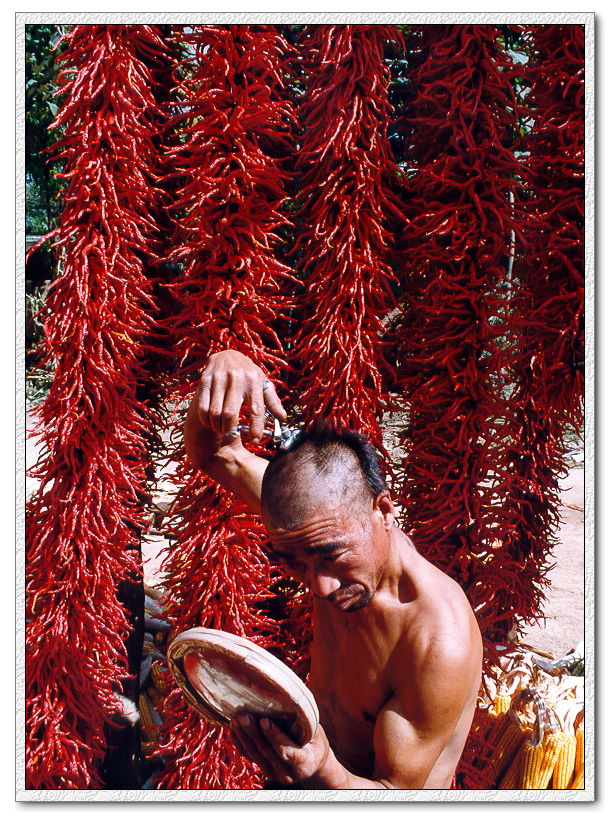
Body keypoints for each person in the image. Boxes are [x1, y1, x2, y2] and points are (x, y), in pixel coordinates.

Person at [184, 349, 483, 790]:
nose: (319, 586)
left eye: (331, 556)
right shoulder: (307, 521)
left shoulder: (436, 641)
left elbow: (397, 795)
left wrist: (322, 770)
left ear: (384, 511)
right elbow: (215, 452)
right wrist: (225, 360)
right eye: (295, 562)